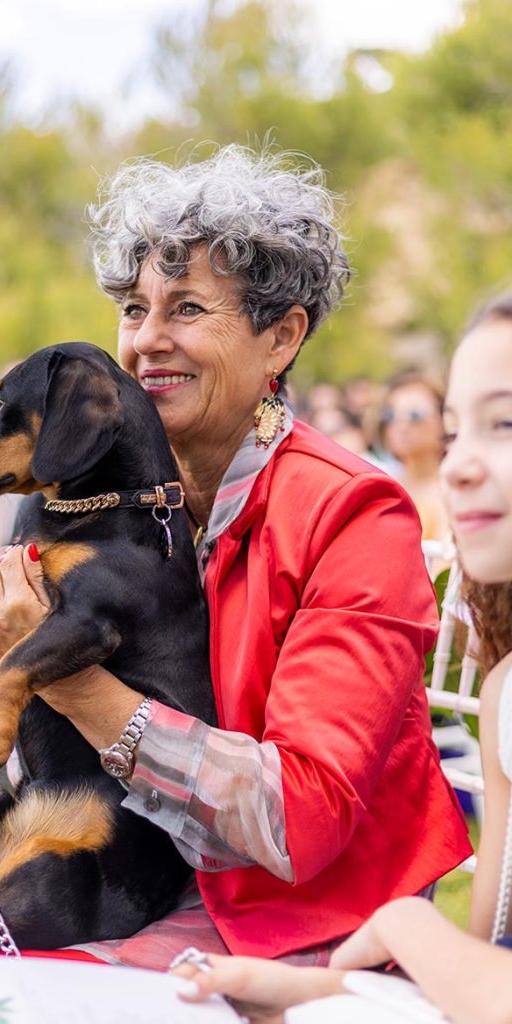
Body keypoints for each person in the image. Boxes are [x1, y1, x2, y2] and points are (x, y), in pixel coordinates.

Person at [0, 146, 470, 1023]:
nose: (146, 338)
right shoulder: (87, 498)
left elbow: (302, 824)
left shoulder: (354, 515)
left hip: (292, 923)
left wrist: (73, 680)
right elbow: (47, 766)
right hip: (107, 879)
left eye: (188, 307)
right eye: (134, 307)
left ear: (283, 335)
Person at [170, 288, 512, 1024]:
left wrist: (406, 926)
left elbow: (309, 805)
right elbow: (479, 979)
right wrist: (298, 991)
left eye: (505, 424)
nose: (457, 468)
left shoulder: (348, 508)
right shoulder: (505, 693)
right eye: (457, 433)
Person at [379, 371, 450, 544]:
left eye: (415, 415)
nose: (401, 424)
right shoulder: (380, 487)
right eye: (391, 415)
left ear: (444, 421)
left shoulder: (454, 491)